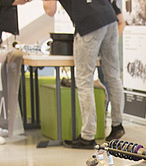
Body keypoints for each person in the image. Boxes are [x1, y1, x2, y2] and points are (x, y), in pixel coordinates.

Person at [43, 0, 125, 148]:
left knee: (83, 79)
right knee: (113, 75)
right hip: (110, 18)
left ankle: (87, 136)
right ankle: (117, 125)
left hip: (89, 24)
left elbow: (50, 10)